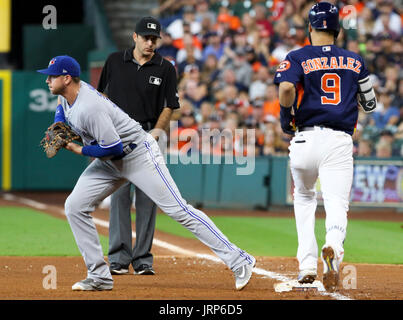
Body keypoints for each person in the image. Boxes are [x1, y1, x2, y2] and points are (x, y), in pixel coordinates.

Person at [36, 55, 256, 291]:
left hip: (138, 155)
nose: (48, 80)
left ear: (67, 78)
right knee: (75, 206)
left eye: (52, 76)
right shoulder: (68, 93)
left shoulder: (90, 107)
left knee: (178, 210)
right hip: (111, 163)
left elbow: (113, 148)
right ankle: (99, 276)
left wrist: (79, 149)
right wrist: (58, 123)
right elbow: (62, 109)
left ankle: (239, 259)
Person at [274, 2, 377, 292]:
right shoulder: (356, 61)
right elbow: (370, 104)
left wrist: (286, 117)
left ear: (310, 28)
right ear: (337, 31)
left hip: (305, 138)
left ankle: (306, 265)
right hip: (338, 141)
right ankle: (332, 247)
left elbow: (285, 89)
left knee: (305, 199)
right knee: (336, 203)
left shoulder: (297, 56)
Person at [96, 17, 180, 276]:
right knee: (119, 197)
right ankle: (119, 258)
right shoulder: (113, 61)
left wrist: (155, 132)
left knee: (148, 199)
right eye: (146, 37)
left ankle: (143, 259)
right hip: (118, 138)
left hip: (148, 135)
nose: (150, 42)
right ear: (134, 37)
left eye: (154, 38)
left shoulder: (165, 68)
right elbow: (102, 97)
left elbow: (170, 106)